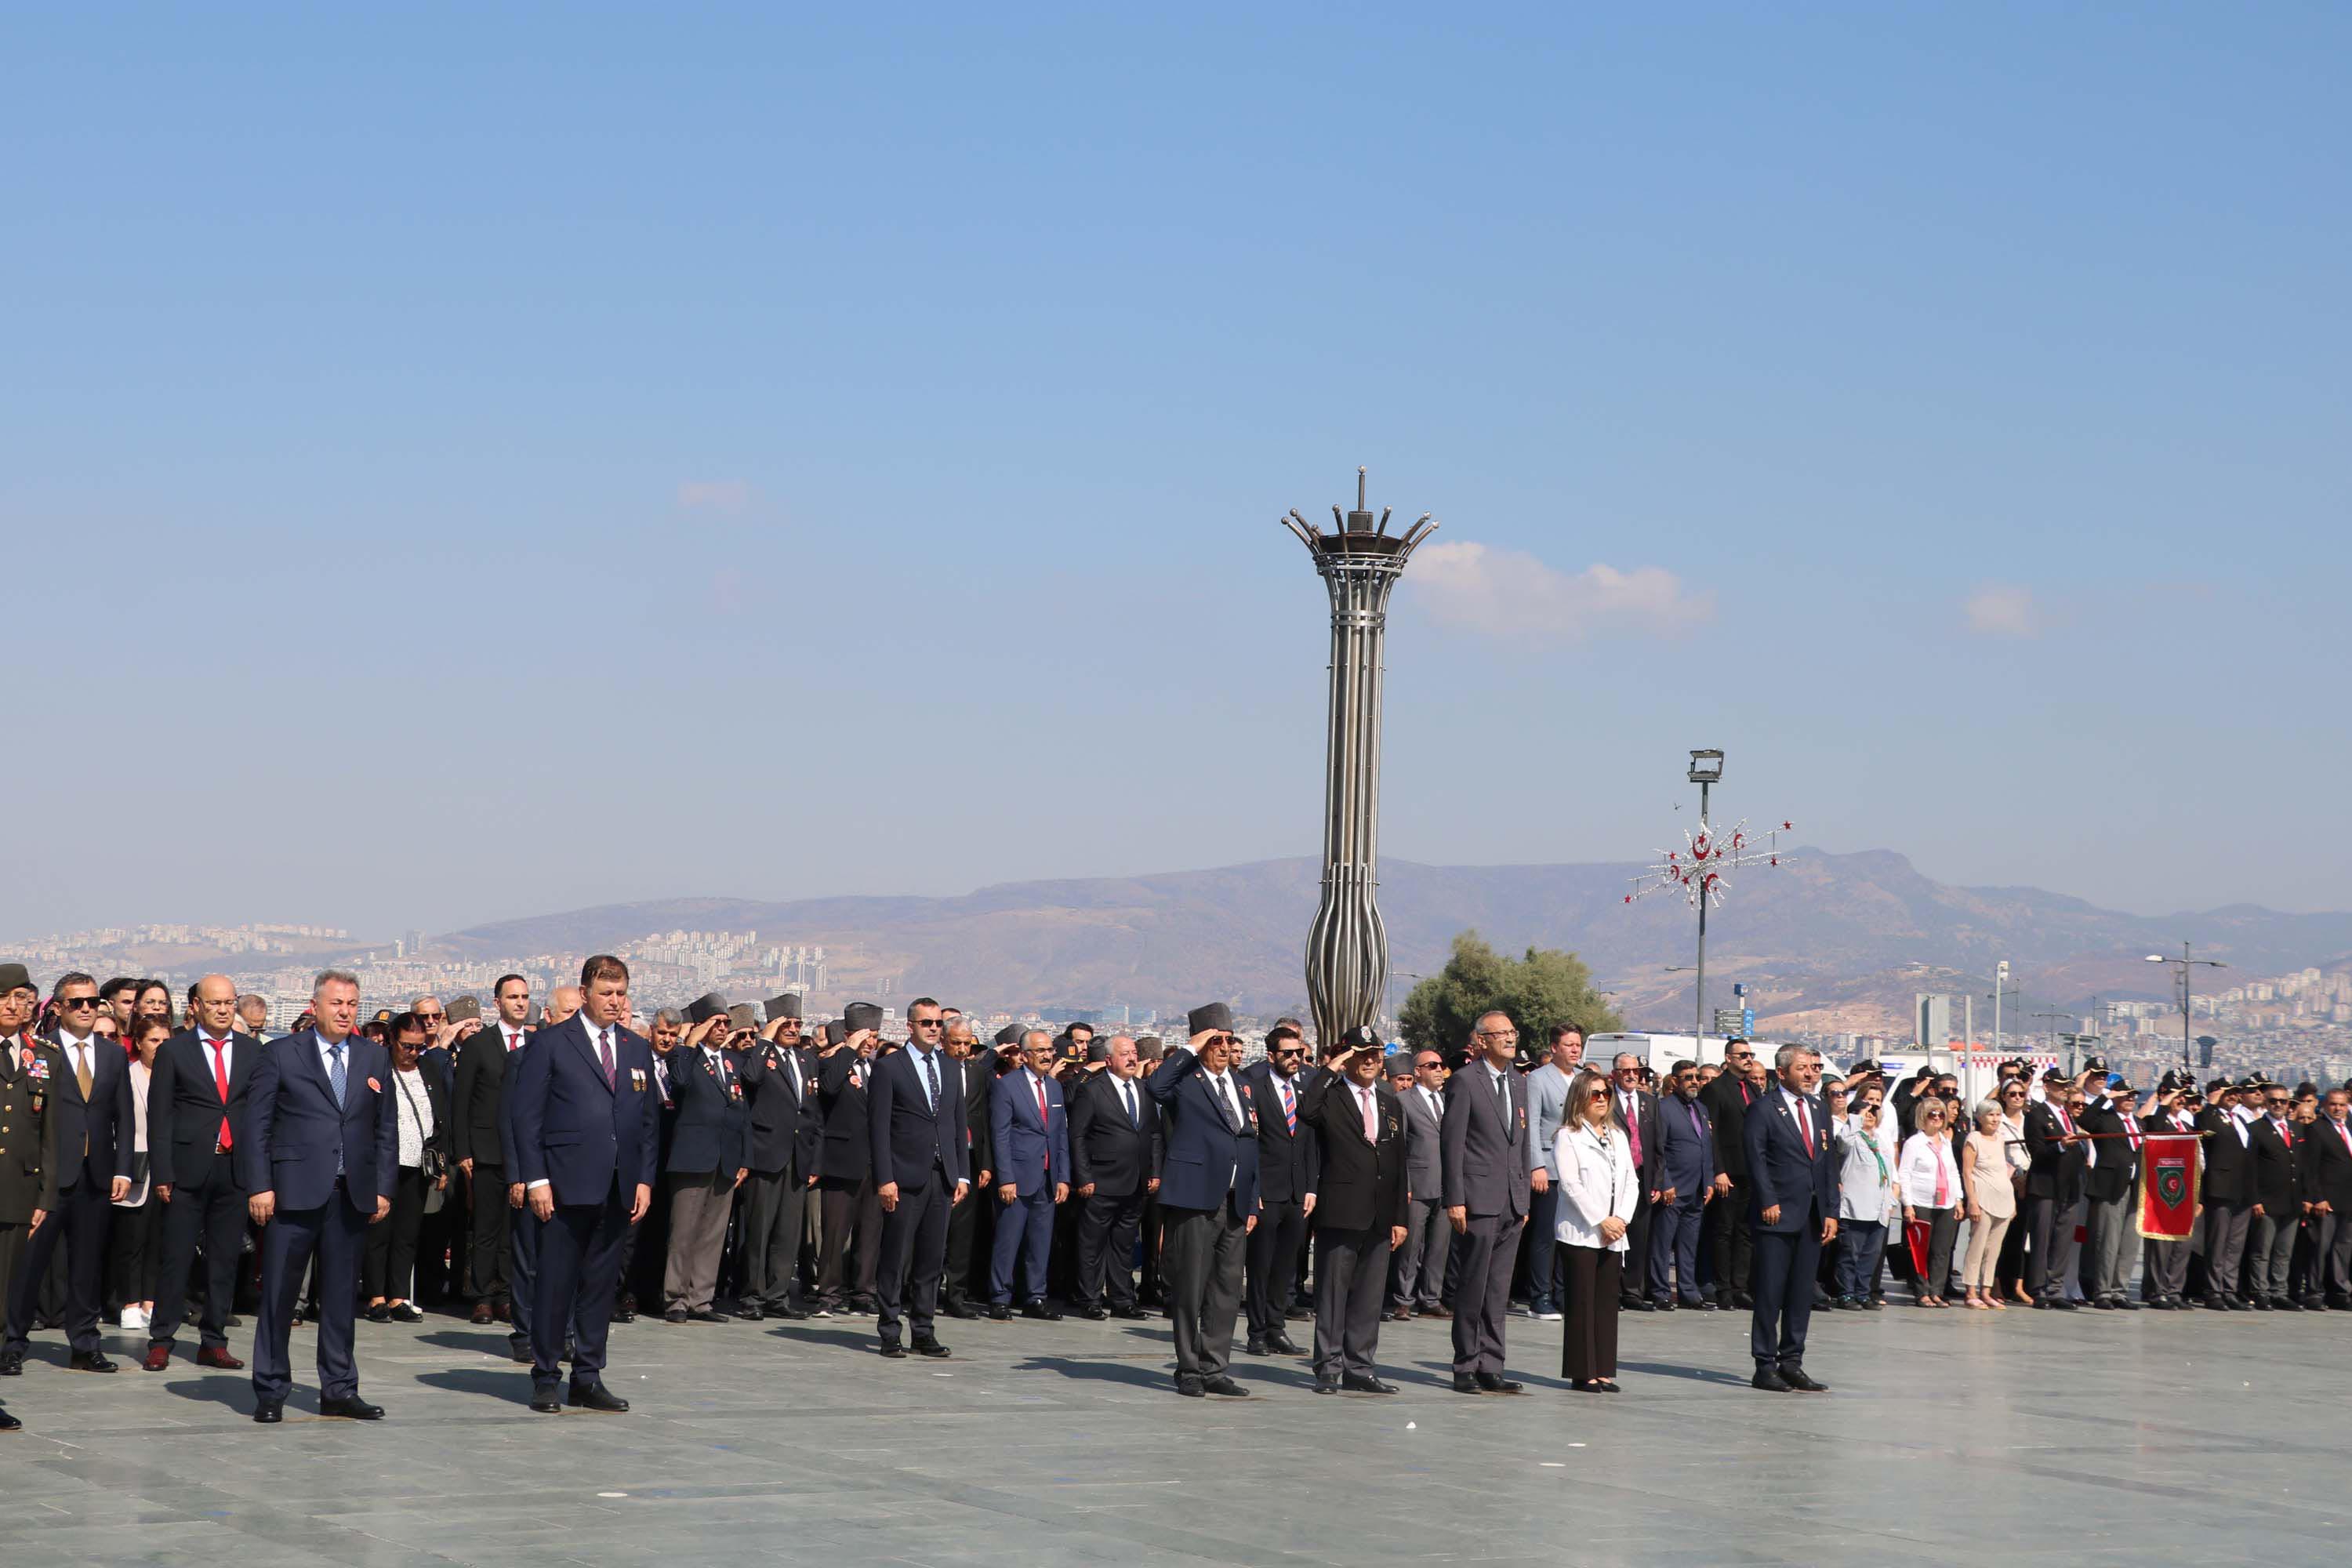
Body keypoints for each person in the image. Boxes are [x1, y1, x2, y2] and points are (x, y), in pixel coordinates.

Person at [243, 969, 397, 1423]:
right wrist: (259, 1185)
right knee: (279, 1295)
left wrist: (384, 1187)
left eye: (352, 1003)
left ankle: (339, 1388)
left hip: (350, 1194)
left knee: (339, 1298)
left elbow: (385, 1127)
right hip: (292, 1192)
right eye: (337, 1003)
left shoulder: (373, 1057)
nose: (346, 1011)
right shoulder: (281, 1054)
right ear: (315, 1007)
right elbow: (257, 1127)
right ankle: (271, 1389)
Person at [509, 954, 658, 1415]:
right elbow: (526, 1116)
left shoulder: (635, 1048)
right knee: (556, 1283)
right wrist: (535, 1179)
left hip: (617, 1186)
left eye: (621, 993)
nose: (614, 1002)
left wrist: (644, 1180)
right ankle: (547, 1375)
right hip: (564, 1183)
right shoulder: (553, 1043)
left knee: (599, 1287)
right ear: (586, 994)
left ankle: (588, 1376)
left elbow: (647, 1120)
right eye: (606, 993)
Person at [4, 972, 131, 1377]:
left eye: (93, 1002)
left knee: (87, 1265)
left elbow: (123, 1116)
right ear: (58, 1008)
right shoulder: (40, 1050)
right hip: (48, 1177)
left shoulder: (111, 1055)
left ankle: (84, 1344)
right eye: (77, 1002)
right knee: (29, 1265)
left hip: (96, 1175)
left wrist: (123, 1168)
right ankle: (13, 1342)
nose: (87, 1009)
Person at [137, 975, 256, 1371]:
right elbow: (161, 1117)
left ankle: (214, 1340)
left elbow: (258, 1115)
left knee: (225, 1259)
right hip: (187, 1170)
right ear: (197, 1007)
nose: (223, 1009)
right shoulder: (175, 1051)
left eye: (229, 1002)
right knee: (176, 1258)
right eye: (215, 1003)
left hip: (233, 1169)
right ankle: (162, 1339)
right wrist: (164, 1173)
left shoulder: (252, 1052)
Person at [1145, 1004, 1259, 1397]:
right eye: (1217, 1041)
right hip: (1194, 1196)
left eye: (1229, 1040)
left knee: (1227, 1289)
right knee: (1190, 1286)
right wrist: (1189, 1050)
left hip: (1235, 1199)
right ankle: (1189, 1367)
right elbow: (1154, 1087)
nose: (1225, 1048)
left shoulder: (1243, 1085)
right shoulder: (1185, 1081)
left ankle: (1215, 1367)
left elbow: (1251, 1143)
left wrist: (1254, 1199)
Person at [1294, 1028, 1408, 1394]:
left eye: (1376, 1054)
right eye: (1362, 1054)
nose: (1371, 1060)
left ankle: (1359, 1367)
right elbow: (1306, 1111)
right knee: (1332, 1291)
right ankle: (1327, 1367)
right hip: (1341, 1210)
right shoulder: (1332, 1096)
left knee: (1369, 1296)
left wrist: (1399, 1219)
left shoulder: (1390, 1102)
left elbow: (1397, 1162)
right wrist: (1333, 1068)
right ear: (1348, 1058)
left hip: (1379, 1213)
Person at [866, 996, 967, 1357]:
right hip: (904, 1177)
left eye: (938, 1023)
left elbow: (958, 1125)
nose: (933, 1029)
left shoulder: (951, 1068)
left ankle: (923, 1329)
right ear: (910, 1026)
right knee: (895, 1257)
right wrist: (885, 1178)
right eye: (926, 1023)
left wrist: (963, 1176)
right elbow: (878, 1128)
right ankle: (889, 1330)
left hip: (942, 1177)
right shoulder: (890, 1068)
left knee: (931, 1259)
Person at [1440, 1011, 1531, 1396]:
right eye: (1501, 1033)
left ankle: (1492, 1364)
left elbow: (1523, 1142)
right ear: (1481, 1040)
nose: (1510, 1039)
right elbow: (1453, 1143)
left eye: (1512, 1032)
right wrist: (1455, 1199)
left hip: (1512, 1200)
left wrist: (1524, 1196)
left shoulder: (1518, 1081)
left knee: (1498, 1289)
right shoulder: (1464, 1081)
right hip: (1477, 1200)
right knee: (1473, 1285)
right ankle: (1465, 1365)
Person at [1744, 1044, 1837, 1393]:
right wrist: (1768, 1199)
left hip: (1812, 1216)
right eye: (1802, 1069)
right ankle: (1764, 1364)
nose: (1811, 1074)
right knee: (1770, 1292)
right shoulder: (1764, 1109)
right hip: (1778, 1213)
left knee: (1801, 1294)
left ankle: (1792, 1361)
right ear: (1781, 1073)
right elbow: (1756, 1158)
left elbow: (1827, 1164)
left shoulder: (1818, 1108)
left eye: (1813, 1068)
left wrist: (1830, 1210)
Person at [660, 1008, 752, 1324]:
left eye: (726, 1023)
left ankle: (701, 1298)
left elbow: (743, 1111)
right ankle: (675, 1299)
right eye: (716, 1022)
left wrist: (745, 1159)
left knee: (712, 1233)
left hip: (726, 1158)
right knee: (683, 1231)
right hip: (693, 1156)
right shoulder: (684, 1056)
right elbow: (679, 1082)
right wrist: (688, 1043)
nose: (723, 1028)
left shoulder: (732, 1062)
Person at [452, 972, 532, 1325]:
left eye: (525, 997)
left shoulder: (537, 1044)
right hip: (486, 1150)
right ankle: (482, 1295)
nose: (520, 1003)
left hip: (524, 1152)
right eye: (513, 997)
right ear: (497, 1002)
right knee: (485, 1226)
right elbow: (461, 1101)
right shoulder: (479, 1044)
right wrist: (463, 1150)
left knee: (514, 1228)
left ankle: (507, 1293)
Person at [735, 995, 819, 1322]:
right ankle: (752, 1295)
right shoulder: (758, 1055)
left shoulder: (806, 1060)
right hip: (766, 1153)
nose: (794, 1029)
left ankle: (778, 1294)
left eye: (798, 1024)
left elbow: (813, 1112)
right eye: (787, 1024)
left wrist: (814, 1159)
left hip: (798, 1156)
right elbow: (751, 1078)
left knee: (787, 1232)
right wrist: (764, 1040)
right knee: (759, 1229)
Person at [1551, 1066, 1633, 1392]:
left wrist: (1621, 1219)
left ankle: (1603, 1368)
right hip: (1582, 1231)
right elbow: (1571, 1185)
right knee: (1582, 1302)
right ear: (1580, 1099)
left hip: (1614, 1231)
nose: (1601, 1099)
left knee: (1606, 1303)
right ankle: (1582, 1371)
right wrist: (1601, 1219)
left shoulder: (1618, 1136)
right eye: (1594, 1094)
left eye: (1605, 1094)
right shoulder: (1567, 1137)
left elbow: (1631, 1182)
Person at [365, 1011, 449, 1322]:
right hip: (384, 1162)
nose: (413, 1053)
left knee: (408, 1232)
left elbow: (440, 1115)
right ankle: (376, 1296)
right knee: (379, 1230)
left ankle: (399, 1295)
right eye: (407, 1046)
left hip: (418, 1163)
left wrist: (440, 1161)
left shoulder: (428, 1069)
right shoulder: (378, 1068)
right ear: (391, 1041)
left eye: (419, 1046)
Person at [1069, 1033, 1160, 1320]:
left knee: (1124, 1245)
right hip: (1102, 1180)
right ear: (1109, 1060)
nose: (1132, 1058)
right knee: (1093, 1244)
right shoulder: (1093, 1091)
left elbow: (1154, 1133)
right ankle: (1090, 1299)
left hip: (1136, 1182)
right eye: (1125, 1054)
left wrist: (1155, 1171)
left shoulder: (1145, 1090)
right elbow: (1078, 1136)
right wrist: (1084, 1177)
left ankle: (1123, 1299)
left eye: (1134, 1053)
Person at [1238, 1021, 1315, 1354]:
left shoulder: (1304, 1089)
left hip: (1298, 1194)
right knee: (1260, 1266)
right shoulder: (1253, 1087)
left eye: (1299, 1052)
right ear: (1271, 1055)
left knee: (1285, 1267)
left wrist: (1311, 1187)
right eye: (1288, 1053)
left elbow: (1311, 1143)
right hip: (1267, 1192)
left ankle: (1276, 1327)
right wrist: (1253, 1193)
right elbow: (1250, 1146)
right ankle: (1256, 1332)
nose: (1295, 1058)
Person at [987, 1029, 1069, 1320]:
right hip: (1019, 1176)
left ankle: (1035, 1297)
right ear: (1024, 1056)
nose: (1048, 1055)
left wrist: (1063, 1176)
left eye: (1050, 1050)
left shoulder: (1055, 1087)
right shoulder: (1007, 1086)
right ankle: (999, 1296)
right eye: (1040, 1051)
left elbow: (1060, 1135)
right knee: (1008, 1239)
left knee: (1040, 1241)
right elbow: (1000, 1134)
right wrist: (1006, 1177)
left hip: (1048, 1177)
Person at [814, 1007, 883, 1316]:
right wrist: (849, 1049)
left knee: (870, 1233)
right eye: (865, 1037)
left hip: (874, 1163)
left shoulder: (877, 1070)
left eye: (875, 1037)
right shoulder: (832, 1063)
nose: (870, 1043)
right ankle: (828, 1293)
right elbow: (828, 1088)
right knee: (835, 1232)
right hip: (841, 1160)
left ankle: (863, 1293)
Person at [1520, 1024, 1583, 1322]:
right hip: (1550, 1164)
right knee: (1545, 1234)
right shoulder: (1537, 1079)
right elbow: (1531, 1124)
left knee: (1569, 1234)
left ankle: (1562, 1292)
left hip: (1578, 1168)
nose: (1575, 1050)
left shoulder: (1583, 1079)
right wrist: (1536, 1165)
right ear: (1554, 1047)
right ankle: (1539, 1295)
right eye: (1569, 1045)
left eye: (1578, 1045)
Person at [107, 1017, 165, 1334]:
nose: (159, 1047)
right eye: (154, 1040)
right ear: (139, 1043)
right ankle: (129, 1302)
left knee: (159, 1240)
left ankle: (150, 1301)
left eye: (164, 1041)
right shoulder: (127, 1076)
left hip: (168, 1169)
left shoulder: (176, 1077)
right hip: (135, 1166)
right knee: (132, 1240)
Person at [1388, 1048, 1450, 1321]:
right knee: (1411, 1245)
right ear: (1418, 1071)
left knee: (1439, 1246)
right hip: (1417, 1182)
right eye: (1432, 1065)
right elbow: (1398, 1146)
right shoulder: (1404, 1100)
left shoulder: (1449, 1101)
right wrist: (1406, 1184)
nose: (1439, 1070)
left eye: (1441, 1065)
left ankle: (1431, 1298)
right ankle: (1403, 1298)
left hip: (1447, 1185)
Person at [1700, 1039, 1762, 1309]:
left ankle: (1741, 1286)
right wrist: (1719, 1170)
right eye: (1743, 1055)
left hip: (1751, 1170)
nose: (1749, 1059)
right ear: (1729, 1058)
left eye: (1751, 1055)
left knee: (1745, 1231)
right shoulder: (1716, 1089)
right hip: (1728, 1171)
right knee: (1723, 1230)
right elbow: (1710, 1135)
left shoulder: (1752, 1088)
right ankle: (1723, 1287)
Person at [1649, 1058, 1715, 1309]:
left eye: (1697, 1077)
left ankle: (1688, 1291)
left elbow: (1706, 1147)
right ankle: (1660, 1290)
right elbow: (1658, 1149)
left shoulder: (1701, 1108)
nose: (1695, 1082)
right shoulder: (1663, 1107)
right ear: (1675, 1081)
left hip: (1697, 1188)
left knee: (1689, 1244)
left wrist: (1708, 1180)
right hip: (1673, 1188)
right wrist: (1665, 1182)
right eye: (1688, 1077)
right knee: (1663, 1244)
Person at [940, 1018, 996, 1319]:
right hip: (938, 1159)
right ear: (944, 1042)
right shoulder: (935, 1069)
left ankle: (956, 1296)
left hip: (971, 1161)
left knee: (962, 1234)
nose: (962, 1050)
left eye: (967, 1044)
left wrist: (986, 1163)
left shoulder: (976, 1072)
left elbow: (983, 1119)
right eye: (956, 1043)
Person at [2023, 1070, 2089, 1309]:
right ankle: (2039, 1288)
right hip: (2046, 1186)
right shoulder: (2037, 1114)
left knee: (2063, 1240)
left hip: (2070, 1186)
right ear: (2047, 1086)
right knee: (2042, 1239)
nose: (2063, 1089)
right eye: (2059, 1085)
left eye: (2066, 1085)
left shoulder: (2068, 1115)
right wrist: (2060, 1146)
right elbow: (2037, 1151)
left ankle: (2055, 1288)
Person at [2078, 1082, 2146, 1310]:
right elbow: (2085, 1120)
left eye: (2133, 1096)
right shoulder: (2105, 1119)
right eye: (2126, 1096)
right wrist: (2106, 1096)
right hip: (2110, 1188)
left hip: (2135, 1187)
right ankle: (2103, 1291)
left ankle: (2120, 1290)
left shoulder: (2138, 1123)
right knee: (2108, 1241)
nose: (2130, 1099)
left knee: (2129, 1243)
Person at [1831, 1087, 1895, 1310]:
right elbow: (1843, 1142)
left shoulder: (1880, 1140)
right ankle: (1846, 1293)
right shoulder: (1851, 1137)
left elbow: (1890, 1173)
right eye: (1866, 1111)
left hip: (1878, 1208)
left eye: (1874, 1111)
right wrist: (1857, 1114)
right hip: (1856, 1206)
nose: (1870, 1114)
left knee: (1870, 1255)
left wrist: (1891, 1202)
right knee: (1850, 1253)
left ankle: (1863, 1292)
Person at [1608, 1050, 1660, 1312]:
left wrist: (1658, 1182)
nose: (1631, 1075)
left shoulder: (1649, 1103)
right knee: (1616, 1234)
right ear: (1615, 1074)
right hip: (1614, 1178)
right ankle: (1612, 1290)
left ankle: (1633, 1291)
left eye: (1635, 1071)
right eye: (1625, 1071)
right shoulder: (1606, 1100)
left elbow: (1659, 1145)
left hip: (1642, 1176)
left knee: (1640, 1237)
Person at [2195, 1079, 2253, 1309]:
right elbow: (2202, 1127)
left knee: (2235, 1245)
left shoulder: (2240, 1118)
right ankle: (2213, 1290)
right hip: (2220, 1189)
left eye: (2235, 1092)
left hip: (2243, 1190)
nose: (2232, 1096)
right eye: (2228, 1092)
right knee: (2217, 1243)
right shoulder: (2211, 1116)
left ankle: (2229, 1289)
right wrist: (2211, 1103)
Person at [1897, 1098, 1961, 1308]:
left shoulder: (1946, 1142)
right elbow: (1904, 1173)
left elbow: (1953, 1173)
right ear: (1922, 1117)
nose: (1937, 1118)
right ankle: (1921, 1291)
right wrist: (1907, 1204)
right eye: (1932, 1114)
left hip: (1946, 1202)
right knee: (1921, 1249)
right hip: (1921, 1201)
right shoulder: (1914, 1143)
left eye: (1940, 1115)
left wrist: (1959, 1200)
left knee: (1941, 1250)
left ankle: (1937, 1290)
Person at [2245, 1083, 2302, 1309]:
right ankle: (2260, 1291)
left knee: (2284, 1251)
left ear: (2288, 1103)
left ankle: (2280, 1291)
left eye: (2283, 1101)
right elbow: (2250, 1168)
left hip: (2292, 1200)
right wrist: (2255, 1199)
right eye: (2273, 1101)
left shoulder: (2297, 1128)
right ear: (2266, 1103)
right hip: (2267, 1200)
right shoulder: (2256, 1129)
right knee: (2262, 1251)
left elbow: (2303, 1165)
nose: (2278, 1105)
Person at [1958, 1099, 2016, 1309]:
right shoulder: (1974, 1139)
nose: (1995, 1119)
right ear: (1981, 1117)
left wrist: (2013, 1202)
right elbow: (1967, 1172)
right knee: (1978, 1246)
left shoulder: (2000, 1138)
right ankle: (1971, 1290)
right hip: (1982, 1198)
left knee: (1994, 1249)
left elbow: (2004, 1170)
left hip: (2004, 1198)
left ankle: (1986, 1290)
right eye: (1991, 1115)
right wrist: (1972, 1201)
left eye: (1998, 1115)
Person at [2303, 1088, 2352, 1307]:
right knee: (2321, 1247)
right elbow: (2310, 1168)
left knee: (2343, 1246)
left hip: (2348, 1199)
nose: (2338, 1109)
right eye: (2333, 1104)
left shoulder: (2349, 1127)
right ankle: (2315, 1291)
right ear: (2324, 1106)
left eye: (2342, 1105)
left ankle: (2340, 1292)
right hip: (2328, 1199)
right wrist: (2318, 1197)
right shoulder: (2317, 1129)